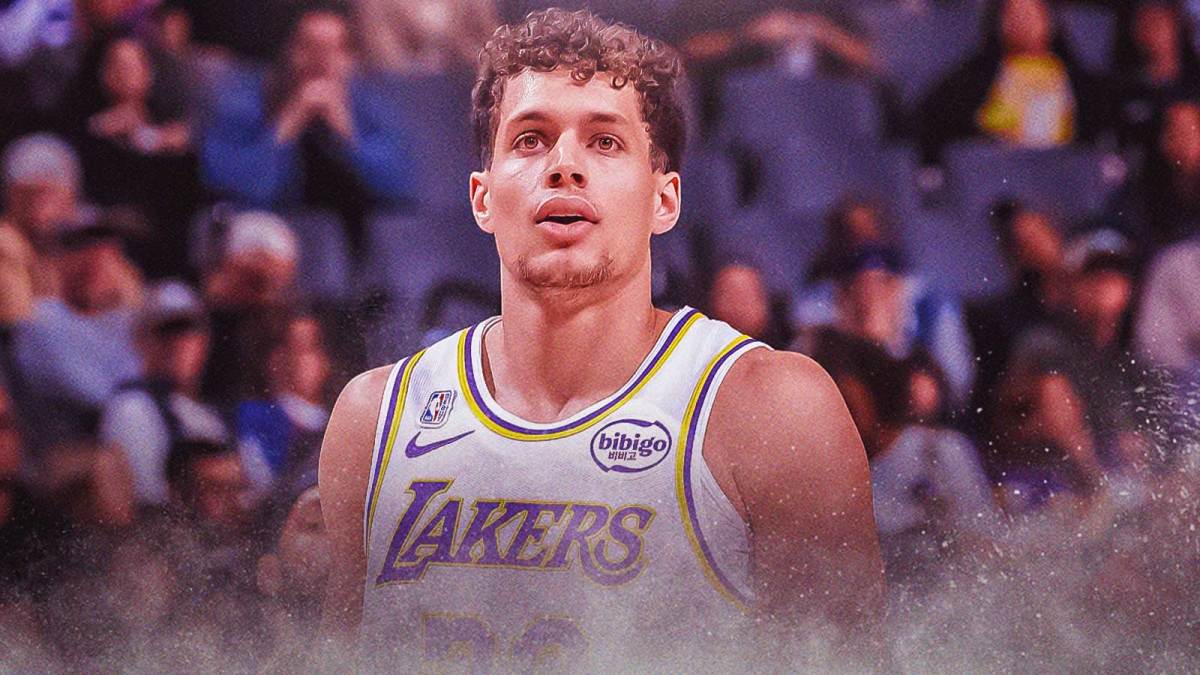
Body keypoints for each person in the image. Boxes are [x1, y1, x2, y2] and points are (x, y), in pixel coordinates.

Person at [317, 8, 885, 672]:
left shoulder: (772, 410)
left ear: (664, 200)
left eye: (605, 141)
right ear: (481, 197)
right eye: (530, 139)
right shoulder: (372, 421)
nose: (564, 165)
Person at [200, 1, 416, 258]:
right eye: (309, 46)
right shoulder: (244, 101)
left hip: (352, 246)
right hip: (265, 243)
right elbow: (235, 190)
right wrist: (286, 128)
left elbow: (400, 189)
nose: (321, 60)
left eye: (334, 49)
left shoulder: (366, 104)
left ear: (351, 58)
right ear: (287, 50)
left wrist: (348, 138)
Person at [918, 0, 1105, 165]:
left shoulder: (1075, 77)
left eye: (1030, 13)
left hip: (1060, 170)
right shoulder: (979, 73)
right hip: (1000, 170)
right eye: (1013, 14)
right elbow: (934, 118)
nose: (1022, 22)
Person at [99, 280, 228, 508]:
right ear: (140, 340)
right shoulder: (132, 407)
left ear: (204, 341)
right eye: (165, 333)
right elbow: (147, 500)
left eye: (188, 332)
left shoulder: (212, 413)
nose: (178, 343)